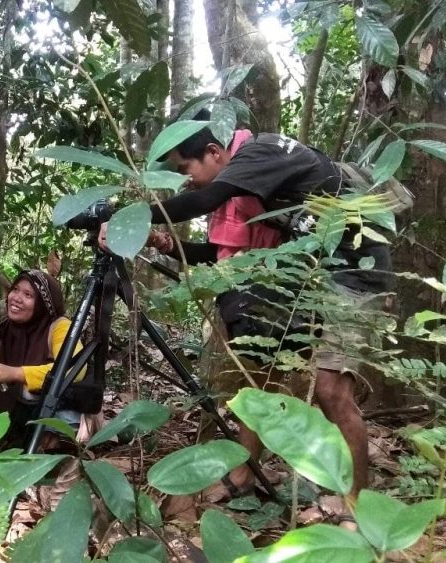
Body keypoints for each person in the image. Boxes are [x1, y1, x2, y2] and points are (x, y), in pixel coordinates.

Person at [99, 125, 394, 500]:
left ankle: (357, 501)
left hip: (356, 273)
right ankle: (244, 474)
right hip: (313, 276)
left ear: (215, 152)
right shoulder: (252, 184)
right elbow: (220, 251)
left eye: (186, 168)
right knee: (261, 374)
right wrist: (167, 243)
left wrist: (127, 215)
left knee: (332, 390)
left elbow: (207, 200)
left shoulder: (261, 153)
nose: (186, 182)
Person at [0, 269, 99, 444]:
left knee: (35, 397)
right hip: (9, 417)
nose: (16, 297)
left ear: (44, 304)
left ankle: (50, 447)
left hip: (55, 412)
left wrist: (16, 373)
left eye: (28, 295)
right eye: (15, 290)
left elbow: (73, 369)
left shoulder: (60, 327)